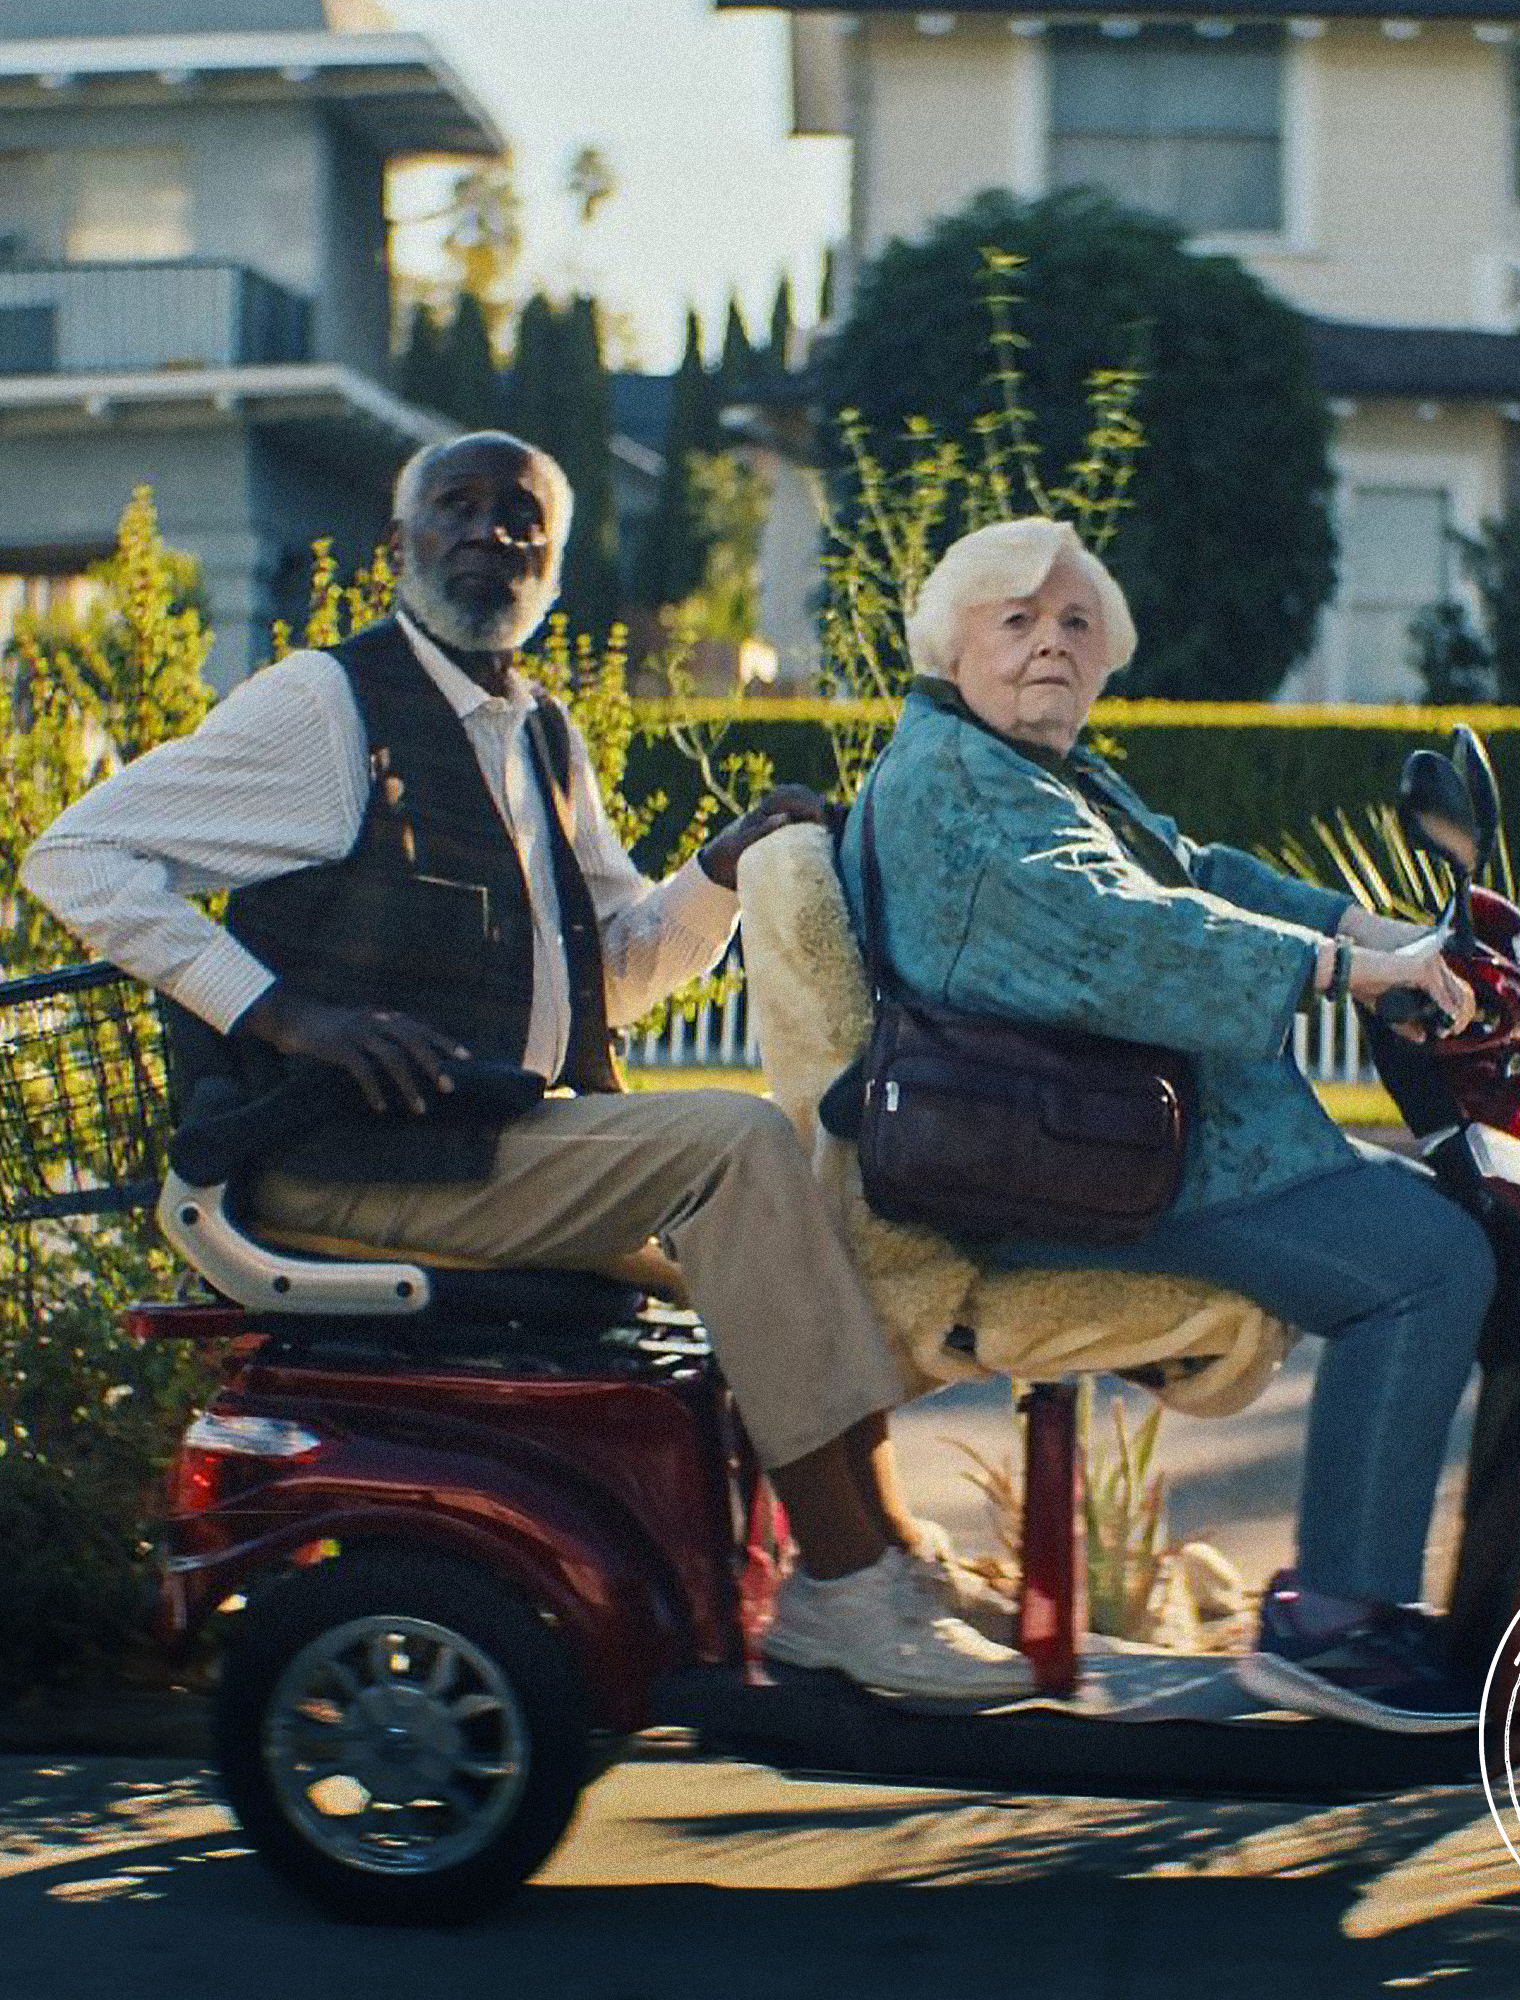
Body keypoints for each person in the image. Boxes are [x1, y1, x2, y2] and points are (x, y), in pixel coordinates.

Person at [23, 430, 1031, 1704]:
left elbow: (605, 972)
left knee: (813, 1208)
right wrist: (283, 1015)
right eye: (459, 507)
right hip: (347, 1157)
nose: (492, 534)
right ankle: (842, 1589)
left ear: (552, 563)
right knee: (731, 1147)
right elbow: (76, 855)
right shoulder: (324, 706)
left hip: (478, 1142)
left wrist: (720, 869)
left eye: (522, 517)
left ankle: (877, 1560)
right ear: (399, 547)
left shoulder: (540, 730)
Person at [838, 516, 1497, 1732]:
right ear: (951, 644)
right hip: (1060, 1166)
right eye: (1015, 619)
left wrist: (1375, 934)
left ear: (1103, 657)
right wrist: (1336, 972)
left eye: (1074, 623)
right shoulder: (954, 781)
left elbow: (1193, 870)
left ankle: (1379, 1604)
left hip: (1124, 1142)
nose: (1048, 644)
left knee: (1453, 1215)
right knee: (1429, 1261)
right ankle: (1336, 1624)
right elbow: (1113, 934)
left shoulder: (1038, 770)